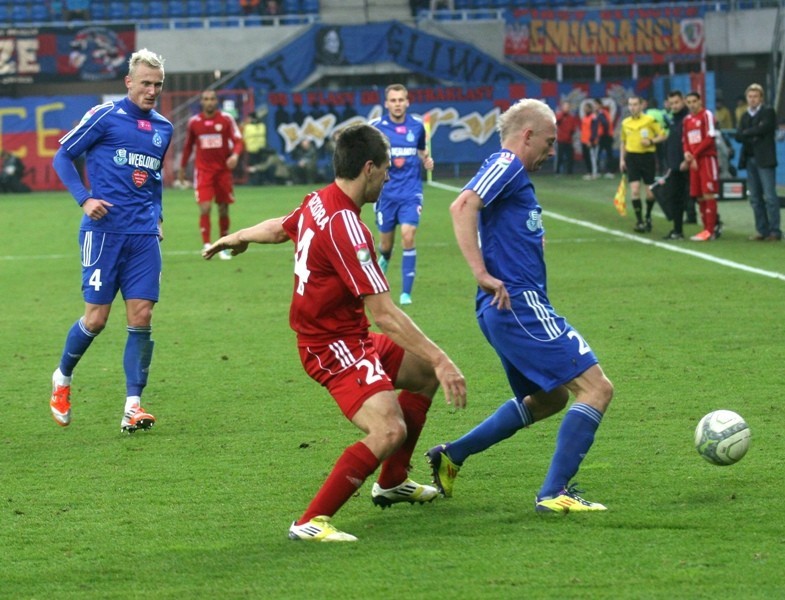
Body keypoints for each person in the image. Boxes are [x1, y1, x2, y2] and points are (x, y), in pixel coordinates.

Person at [202, 124, 466, 542]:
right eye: (384, 169)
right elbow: (385, 314)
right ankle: (311, 521)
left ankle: (393, 481)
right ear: (367, 168)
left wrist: (237, 237)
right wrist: (442, 356)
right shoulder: (348, 227)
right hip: (332, 346)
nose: (388, 177)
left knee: (422, 374)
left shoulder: (318, 201)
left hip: (348, 336)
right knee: (389, 429)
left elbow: (278, 227)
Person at [425, 98, 613, 513]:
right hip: (518, 305)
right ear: (527, 135)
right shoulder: (507, 163)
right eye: (548, 142)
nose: (551, 151)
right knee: (596, 388)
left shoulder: (513, 176)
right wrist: (480, 272)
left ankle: (452, 455)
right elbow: (462, 205)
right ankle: (553, 493)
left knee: (549, 399)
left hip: (506, 309)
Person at [49, 48, 173, 433]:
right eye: (146, 83)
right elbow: (62, 157)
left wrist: (159, 217)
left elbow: (154, 180)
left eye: (158, 85)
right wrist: (85, 199)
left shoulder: (163, 128)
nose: (151, 91)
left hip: (143, 237)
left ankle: (132, 407)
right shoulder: (104, 116)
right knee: (97, 319)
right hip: (104, 234)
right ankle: (62, 377)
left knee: (142, 317)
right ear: (129, 82)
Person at [369, 83, 434, 306]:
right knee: (386, 245)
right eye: (393, 100)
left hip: (410, 192)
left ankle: (406, 293)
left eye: (401, 100)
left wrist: (426, 160)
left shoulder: (417, 127)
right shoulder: (376, 128)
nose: (397, 104)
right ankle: (385, 257)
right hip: (385, 194)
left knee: (408, 235)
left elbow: (421, 150)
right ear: (386, 104)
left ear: (407, 102)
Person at [177, 89, 244, 260]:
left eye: (212, 99)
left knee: (223, 209)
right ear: (202, 102)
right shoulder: (194, 122)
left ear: (216, 101)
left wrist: (235, 155)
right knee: (205, 207)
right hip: (204, 171)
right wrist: (182, 169)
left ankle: (223, 245)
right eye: (206, 99)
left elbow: (238, 140)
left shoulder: (226, 119)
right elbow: (188, 147)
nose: (209, 102)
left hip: (222, 172)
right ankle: (207, 244)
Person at [736, 83, 781, 241]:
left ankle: (775, 231)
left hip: (765, 159)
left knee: (769, 196)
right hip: (749, 158)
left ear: (761, 98)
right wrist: (752, 133)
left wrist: (747, 133)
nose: (752, 99)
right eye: (750, 96)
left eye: (755, 96)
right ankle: (762, 230)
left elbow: (765, 128)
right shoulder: (745, 115)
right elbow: (738, 135)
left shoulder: (768, 112)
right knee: (755, 197)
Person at [619, 95, 666, 233]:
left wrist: (651, 141)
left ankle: (648, 216)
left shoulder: (650, 120)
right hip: (632, 158)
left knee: (650, 192)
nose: (632, 107)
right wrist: (622, 159)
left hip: (647, 158)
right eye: (630, 104)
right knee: (634, 189)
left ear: (641, 105)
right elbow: (623, 141)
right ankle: (639, 221)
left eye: (635, 104)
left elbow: (662, 135)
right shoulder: (625, 123)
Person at [683, 91, 721, 242]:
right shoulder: (687, 120)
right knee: (699, 196)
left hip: (706, 159)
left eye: (694, 101)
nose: (692, 104)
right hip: (693, 160)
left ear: (700, 101)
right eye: (689, 102)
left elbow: (710, 138)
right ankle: (706, 229)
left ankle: (711, 230)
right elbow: (685, 139)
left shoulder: (707, 115)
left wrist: (694, 154)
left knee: (708, 194)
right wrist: (686, 152)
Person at [661, 91, 691, 240]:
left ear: (683, 101)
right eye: (671, 103)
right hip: (675, 166)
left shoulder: (688, 119)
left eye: (677, 102)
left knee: (698, 196)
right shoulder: (673, 120)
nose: (674, 106)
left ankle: (714, 224)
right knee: (675, 198)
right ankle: (677, 230)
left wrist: (687, 160)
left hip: (688, 164)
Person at [242, 110, 268, 186]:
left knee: (253, 167)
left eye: (249, 118)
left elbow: (244, 135)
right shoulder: (262, 126)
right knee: (259, 166)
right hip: (260, 149)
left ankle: (253, 181)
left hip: (252, 149)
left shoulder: (248, 127)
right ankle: (259, 180)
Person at [555, 100, 580, 175]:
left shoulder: (571, 117)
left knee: (570, 157)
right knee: (560, 156)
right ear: (562, 108)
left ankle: (569, 172)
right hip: (561, 140)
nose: (566, 108)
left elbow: (573, 128)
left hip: (569, 140)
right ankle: (557, 172)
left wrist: (570, 134)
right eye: (565, 107)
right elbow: (556, 122)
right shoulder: (559, 115)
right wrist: (562, 115)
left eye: (568, 107)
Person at [580, 100, 598, 180]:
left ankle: (594, 173)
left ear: (590, 109)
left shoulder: (593, 117)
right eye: (584, 108)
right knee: (586, 157)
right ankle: (589, 172)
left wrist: (591, 140)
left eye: (587, 108)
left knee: (592, 158)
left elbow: (594, 130)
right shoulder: (585, 117)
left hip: (590, 141)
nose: (585, 110)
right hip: (584, 140)